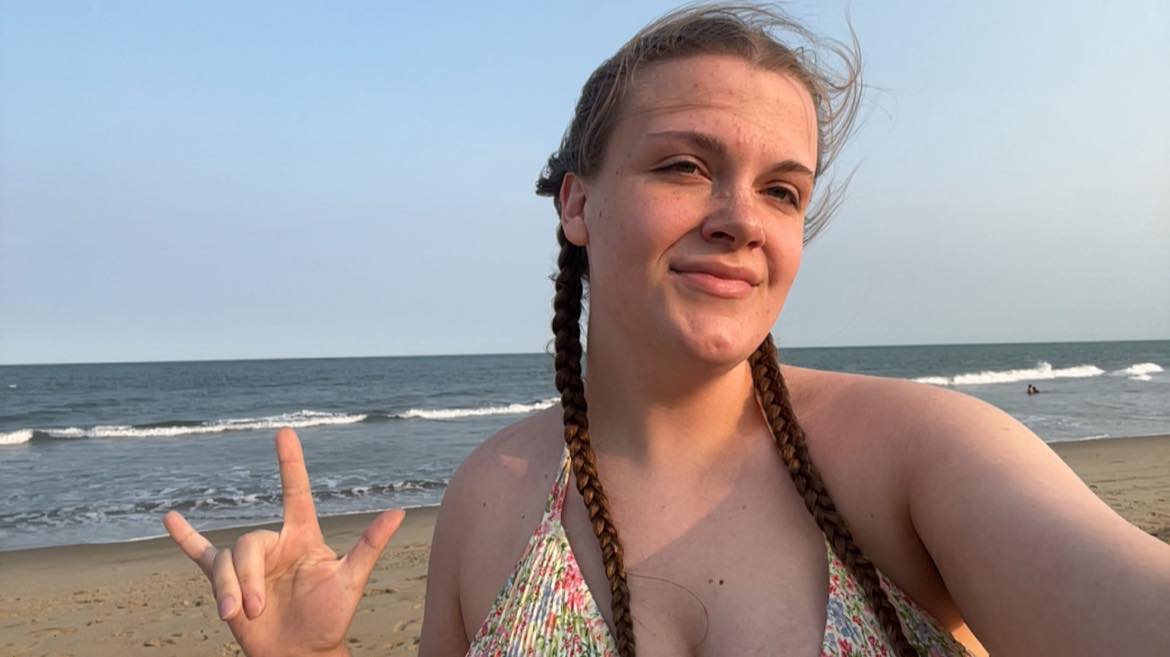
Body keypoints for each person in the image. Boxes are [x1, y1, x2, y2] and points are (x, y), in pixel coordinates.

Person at [163, 4, 1170, 656]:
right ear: (577, 202)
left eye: (782, 190)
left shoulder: (920, 456)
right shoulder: (493, 496)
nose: (741, 218)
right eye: (685, 166)